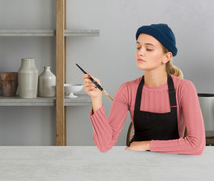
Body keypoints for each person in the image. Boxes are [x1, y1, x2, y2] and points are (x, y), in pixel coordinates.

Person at [82, 23, 205, 155]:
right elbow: (104, 145)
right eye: (138, 47)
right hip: (136, 164)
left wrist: (147, 145)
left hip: (172, 163)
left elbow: (196, 145)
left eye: (149, 49)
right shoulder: (127, 90)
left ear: (167, 57)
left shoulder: (184, 88)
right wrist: (96, 99)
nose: (140, 52)